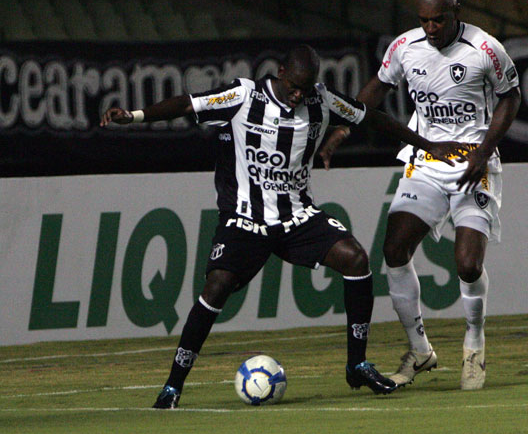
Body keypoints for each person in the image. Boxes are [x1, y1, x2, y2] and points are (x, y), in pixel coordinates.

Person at [101, 44, 467, 408]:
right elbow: (186, 104)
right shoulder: (243, 96)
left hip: (296, 216)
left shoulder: (322, 101)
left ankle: (356, 364)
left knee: (356, 260)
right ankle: (172, 386)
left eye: (305, 89)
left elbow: (371, 116)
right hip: (245, 218)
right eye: (293, 86)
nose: (298, 95)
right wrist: (133, 116)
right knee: (217, 286)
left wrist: (426, 145)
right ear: (280, 72)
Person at [319, 0, 521, 390]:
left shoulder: (485, 49)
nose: (431, 27)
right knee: (394, 249)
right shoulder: (404, 47)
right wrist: (342, 131)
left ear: (455, 11)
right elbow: (377, 89)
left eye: (438, 19)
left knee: (467, 264)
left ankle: (474, 344)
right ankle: (420, 350)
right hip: (427, 161)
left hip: (473, 163)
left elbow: (511, 97)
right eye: (424, 20)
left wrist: (484, 150)